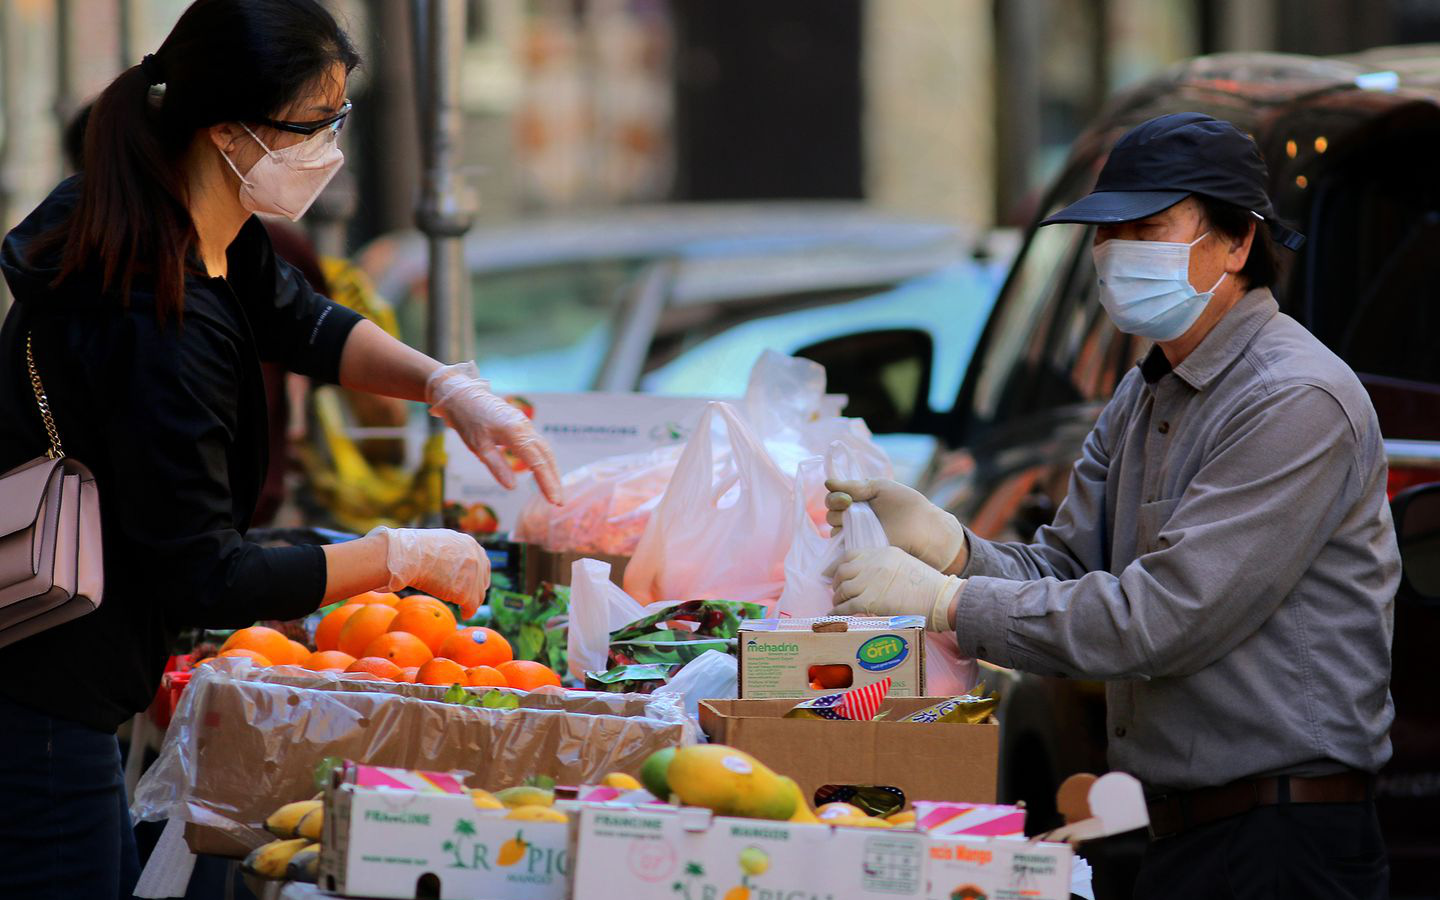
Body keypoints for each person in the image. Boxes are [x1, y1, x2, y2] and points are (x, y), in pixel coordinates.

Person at [0, 2, 562, 897]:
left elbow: (299, 319)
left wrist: (448, 389)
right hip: (43, 692)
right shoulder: (155, 319)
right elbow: (206, 577)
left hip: (69, 670)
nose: (329, 149)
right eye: (314, 125)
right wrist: (393, 557)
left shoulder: (190, 222)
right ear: (228, 134)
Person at [826, 113, 1394, 899]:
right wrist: (947, 543)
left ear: (1236, 244)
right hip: (1179, 828)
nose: (1118, 251)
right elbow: (1063, 568)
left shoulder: (1293, 398)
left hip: (1282, 841)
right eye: (1107, 230)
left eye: (1149, 227)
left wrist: (948, 602)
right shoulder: (1146, 388)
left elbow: (1165, 617)